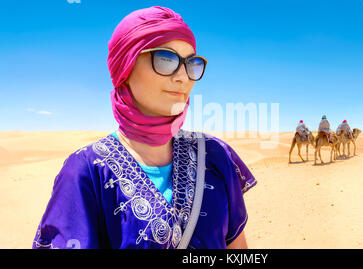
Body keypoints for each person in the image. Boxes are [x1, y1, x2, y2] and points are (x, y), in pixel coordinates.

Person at [32, 6, 257, 249]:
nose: (184, 77)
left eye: (191, 63)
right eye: (166, 59)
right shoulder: (85, 173)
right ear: (125, 68)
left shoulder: (215, 155)